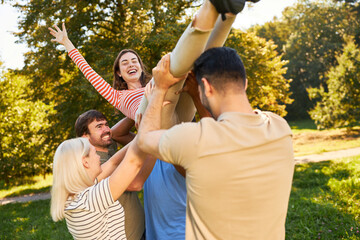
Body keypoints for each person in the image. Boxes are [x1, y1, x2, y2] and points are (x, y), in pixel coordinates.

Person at [137, 48, 294, 239]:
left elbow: (145, 138)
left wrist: (159, 90)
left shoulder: (194, 140)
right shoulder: (280, 128)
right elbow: (226, 125)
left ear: (207, 87)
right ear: (245, 83)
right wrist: (197, 95)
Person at [51, 137, 146, 240]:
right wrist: (147, 132)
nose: (98, 157)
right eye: (95, 153)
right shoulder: (91, 200)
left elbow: (112, 162)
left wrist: (140, 137)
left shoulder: (76, 198)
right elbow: (133, 163)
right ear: (85, 162)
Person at [74, 110, 145, 240]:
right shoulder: (93, 167)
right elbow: (135, 184)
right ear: (85, 137)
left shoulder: (108, 149)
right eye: (99, 127)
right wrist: (146, 134)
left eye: (106, 124)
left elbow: (116, 132)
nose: (106, 129)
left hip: (140, 230)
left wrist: (139, 108)